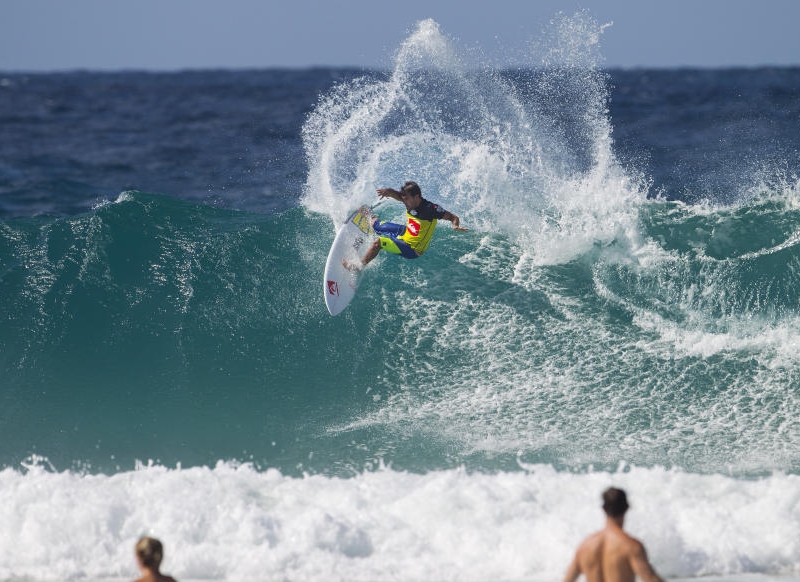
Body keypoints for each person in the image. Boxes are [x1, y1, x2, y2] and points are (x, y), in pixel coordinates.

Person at [343, 181, 467, 271]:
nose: (404, 202)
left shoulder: (431, 209)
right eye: (404, 199)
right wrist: (389, 192)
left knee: (378, 243)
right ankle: (372, 218)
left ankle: (359, 266)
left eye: (407, 199)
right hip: (406, 232)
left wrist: (455, 226)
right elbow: (398, 195)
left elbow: (453, 217)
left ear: (417, 197)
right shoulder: (408, 199)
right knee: (375, 223)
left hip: (412, 249)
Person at [562, 487, 664, 582]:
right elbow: (650, 579)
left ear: (603, 509)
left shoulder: (585, 547)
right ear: (627, 507)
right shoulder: (631, 547)